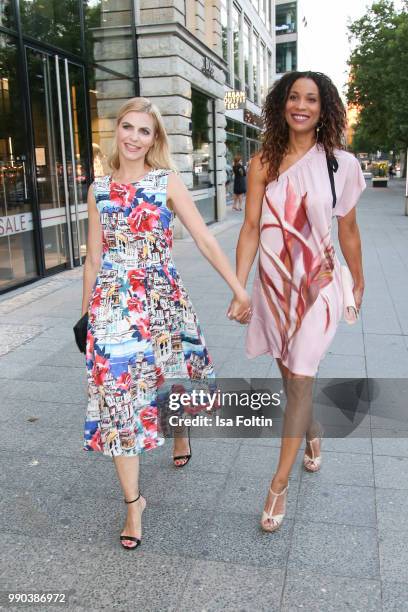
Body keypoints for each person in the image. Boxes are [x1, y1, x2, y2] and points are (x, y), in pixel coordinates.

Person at [81, 97, 251, 550]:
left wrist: (238, 287)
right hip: (113, 303)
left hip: (161, 298)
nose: (134, 137)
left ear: (155, 138)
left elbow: (203, 238)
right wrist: (86, 319)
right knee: (118, 395)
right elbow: (94, 256)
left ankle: (179, 430)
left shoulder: (165, 181)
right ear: (115, 131)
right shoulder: (98, 188)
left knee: (169, 376)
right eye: (128, 127)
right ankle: (133, 502)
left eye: (145, 131)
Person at [234, 71, 365, 532]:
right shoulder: (262, 163)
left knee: (302, 376)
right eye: (294, 97)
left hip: (319, 287)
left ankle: (278, 483)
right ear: (282, 104)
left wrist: (360, 280)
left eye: (311, 98)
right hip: (274, 288)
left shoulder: (341, 165)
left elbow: (347, 228)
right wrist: (239, 285)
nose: (302, 105)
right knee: (291, 378)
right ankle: (312, 432)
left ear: (323, 108)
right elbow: (250, 228)